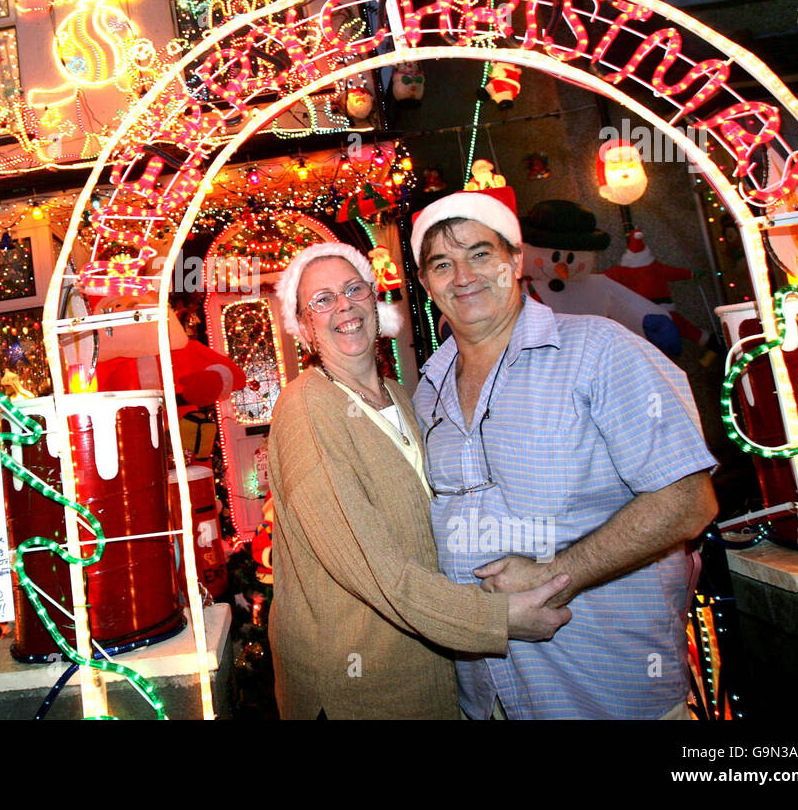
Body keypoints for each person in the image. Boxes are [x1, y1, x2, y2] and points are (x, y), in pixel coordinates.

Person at [409, 185, 719, 719]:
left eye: (480, 253)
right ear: (425, 283)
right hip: (486, 698)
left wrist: (558, 574)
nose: (463, 276)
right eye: (441, 263)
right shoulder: (426, 390)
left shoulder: (599, 350)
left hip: (607, 689)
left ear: (515, 259)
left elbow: (688, 501)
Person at [267, 241, 572, 719]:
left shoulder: (402, 396)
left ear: (375, 301)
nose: (344, 305)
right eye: (322, 300)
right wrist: (497, 618)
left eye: (354, 290)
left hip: (431, 670)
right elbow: (369, 565)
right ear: (304, 327)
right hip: (364, 689)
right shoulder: (308, 406)